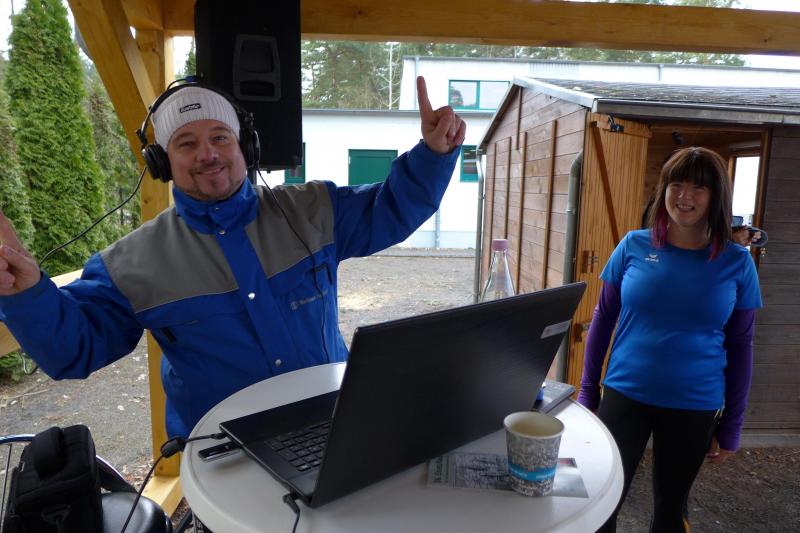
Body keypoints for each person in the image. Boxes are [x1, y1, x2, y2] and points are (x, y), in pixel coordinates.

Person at [0, 76, 466, 440]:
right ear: (163, 162)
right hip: (223, 454)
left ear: (245, 146)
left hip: (333, 425)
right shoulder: (130, 264)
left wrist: (433, 154)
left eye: (220, 137)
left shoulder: (313, 209)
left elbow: (389, 210)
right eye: (186, 143)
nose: (207, 154)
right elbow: (75, 349)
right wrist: (26, 293)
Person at [577, 147, 762, 532]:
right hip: (625, 394)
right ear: (663, 189)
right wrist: (588, 391)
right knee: (599, 505)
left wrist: (732, 423)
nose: (684, 196)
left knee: (670, 512)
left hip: (694, 404)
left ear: (715, 197)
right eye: (676, 184)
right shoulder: (633, 245)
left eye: (698, 187)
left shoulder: (737, 262)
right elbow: (603, 319)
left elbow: (741, 345)